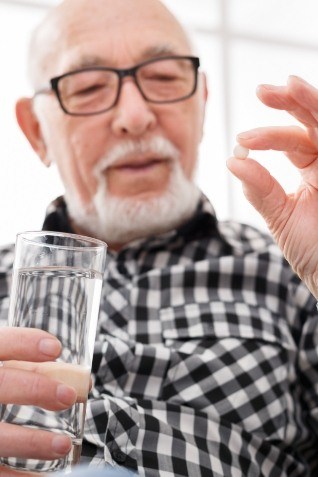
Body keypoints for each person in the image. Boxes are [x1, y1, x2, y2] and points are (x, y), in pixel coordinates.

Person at [1, 0, 318, 475]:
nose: (136, 116)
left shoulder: (292, 273)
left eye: (166, 78)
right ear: (36, 132)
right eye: (88, 87)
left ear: (202, 103)